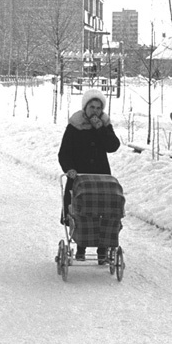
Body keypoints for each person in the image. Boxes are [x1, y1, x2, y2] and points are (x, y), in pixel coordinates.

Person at [58, 89, 120, 263]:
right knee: (82, 211)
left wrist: (101, 129)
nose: (95, 111)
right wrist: (69, 168)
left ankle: (103, 249)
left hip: (101, 176)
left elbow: (113, 146)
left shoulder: (104, 124)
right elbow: (64, 152)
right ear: (85, 107)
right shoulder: (75, 125)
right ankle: (81, 247)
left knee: (102, 212)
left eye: (99, 108)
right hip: (79, 176)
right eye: (92, 107)